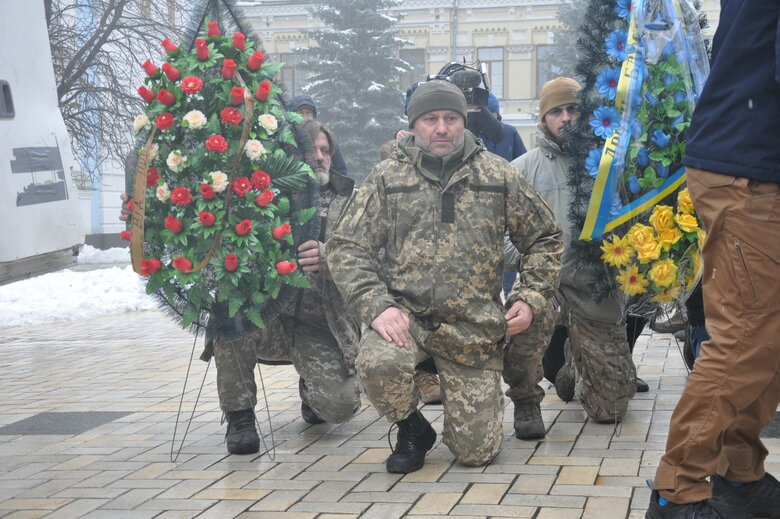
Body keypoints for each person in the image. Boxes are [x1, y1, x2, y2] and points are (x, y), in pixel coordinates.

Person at [326, 80, 563, 473]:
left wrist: (530, 295)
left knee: (475, 454)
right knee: (376, 363)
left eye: (451, 118)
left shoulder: (496, 175)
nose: (441, 128)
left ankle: (463, 398)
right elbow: (347, 247)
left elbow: (545, 237)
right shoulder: (387, 179)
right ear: (414, 125)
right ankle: (413, 428)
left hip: (472, 328)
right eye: (430, 119)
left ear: (463, 121)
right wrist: (377, 306)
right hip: (408, 321)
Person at [120, 121, 362, 455]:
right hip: (266, 321)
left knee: (340, 407)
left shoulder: (352, 201)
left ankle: (314, 392)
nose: (319, 158)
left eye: (325, 151)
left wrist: (329, 255)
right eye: (310, 150)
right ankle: (240, 417)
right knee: (228, 318)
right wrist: (142, 213)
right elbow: (197, 220)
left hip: (321, 326)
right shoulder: (257, 197)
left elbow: (372, 256)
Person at [646, 2, 780, 517]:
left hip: (749, 158)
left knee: (765, 336)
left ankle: (739, 473)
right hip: (748, 172)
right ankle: (675, 489)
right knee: (746, 335)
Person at [504, 77, 637, 432]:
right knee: (520, 326)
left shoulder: (610, 165)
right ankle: (526, 401)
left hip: (594, 287)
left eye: (572, 109)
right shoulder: (521, 170)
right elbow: (497, 235)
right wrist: (529, 262)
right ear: (544, 118)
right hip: (542, 285)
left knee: (610, 411)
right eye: (556, 111)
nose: (565, 118)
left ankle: (579, 365)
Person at [290, 94, 348, 176]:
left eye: (308, 113)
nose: (305, 117)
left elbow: (340, 170)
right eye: (300, 113)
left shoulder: (324, 137)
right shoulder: (286, 138)